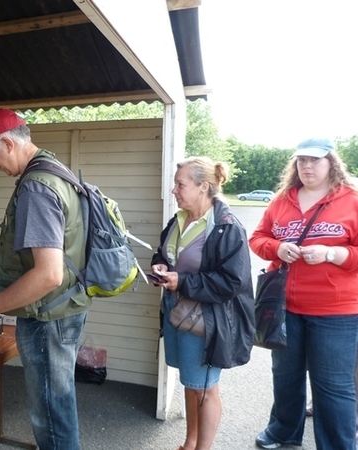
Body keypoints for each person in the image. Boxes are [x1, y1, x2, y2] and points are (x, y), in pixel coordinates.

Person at [0, 108, 92, 450]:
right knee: (58, 406)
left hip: (48, 317)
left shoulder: (36, 187)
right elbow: (56, 248)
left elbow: (48, 274)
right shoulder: (56, 171)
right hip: (68, 308)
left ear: (6, 143)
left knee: (51, 415)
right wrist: (1, 254)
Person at [250, 137, 358, 449]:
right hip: (285, 307)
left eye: (315, 160)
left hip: (336, 312)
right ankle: (284, 432)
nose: (307, 166)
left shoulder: (351, 200)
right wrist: (277, 248)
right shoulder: (283, 200)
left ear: (331, 163)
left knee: (333, 386)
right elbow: (257, 238)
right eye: (302, 160)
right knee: (286, 376)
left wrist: (332, 254)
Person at [150, 156, 255, 450]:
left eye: (180, 184)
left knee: (205, 389)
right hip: (177, 311)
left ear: (203, 187)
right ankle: (189, 443)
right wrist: (159, 266)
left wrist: (181, 281)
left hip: (206, 320)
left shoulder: (226, 227)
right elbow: (164, 254)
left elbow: (233, 282)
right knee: (191, 382)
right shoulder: (179, 219)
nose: (174, 190)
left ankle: (203, 448)